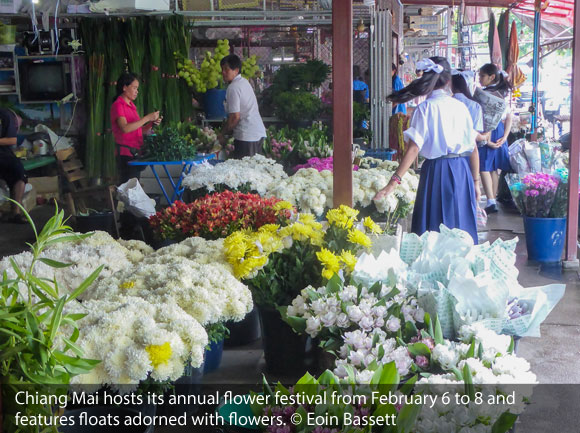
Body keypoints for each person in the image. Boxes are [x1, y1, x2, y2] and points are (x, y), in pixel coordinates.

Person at [374, 57, 480, 244]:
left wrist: (393, 183)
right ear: (448, 81)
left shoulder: (425, 108)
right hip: (462, 171)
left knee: (434, 230)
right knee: (461, 227)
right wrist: (476, 182)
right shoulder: (461, 108)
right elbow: (473, 148)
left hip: (436, 171)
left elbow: (414, 149)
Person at [111, 72, 161, 184]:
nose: (136, 91)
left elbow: (138, 130)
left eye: (137, 88)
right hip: (125, 153)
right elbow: (125, 128)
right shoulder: (118, 105)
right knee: (128, 189)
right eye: (134, 88)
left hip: (135, 152)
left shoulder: (132, 106)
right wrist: (147, 118)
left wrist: (151, 124)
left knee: (133, 187)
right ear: (124, 87)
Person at [478, 63, 513, 214]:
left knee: (483, 167)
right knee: (493, 168)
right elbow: (509, 116)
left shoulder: (484, 94)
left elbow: (487, 119)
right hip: (499, 131)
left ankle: (491, 201)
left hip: (488, 130)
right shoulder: (501, 94)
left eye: (482, 76)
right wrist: (505, 137)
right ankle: (492, 200)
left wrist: (487, 139)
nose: (479, 79)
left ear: (492, 77)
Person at [219, 54, 266, 159]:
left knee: (247, 172)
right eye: (222, 69)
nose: (223, 72)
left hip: (247, 136)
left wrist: (222, 134)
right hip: (255, 134)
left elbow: (235, 117)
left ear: (236, 70)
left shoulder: (234, 87)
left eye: (226, 69)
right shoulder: (243, 82)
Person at [0, 108, 26, 224]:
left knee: (19, 172)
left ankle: (15, 213)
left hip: (4, 154)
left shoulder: (4, 114)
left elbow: (11, 140)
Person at [451, 70, 490, 143]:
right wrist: (485, 136)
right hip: (469, 147)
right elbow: (477, 132)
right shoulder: (475, 105)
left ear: (451, 85)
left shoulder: (447, 103)